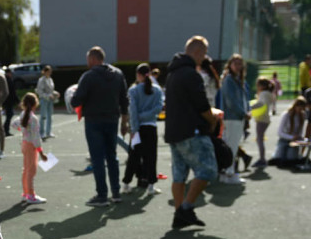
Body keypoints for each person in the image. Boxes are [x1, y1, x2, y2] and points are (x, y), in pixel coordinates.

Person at [164, 35, 221, 229]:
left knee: (179, 175)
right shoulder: (190, 74)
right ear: (197, 52)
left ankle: (179, 215)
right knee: (208, 170)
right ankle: (185, 209)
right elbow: (202, 104)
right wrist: (212, 121)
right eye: (203, 53)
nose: (204, 58)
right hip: (191, 131)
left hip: (174, 132)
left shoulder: (172, 74)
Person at [71, 46, 130, 207]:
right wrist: (124, 122)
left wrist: (75, 96)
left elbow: (76, 101)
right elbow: (124, 100)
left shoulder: (88, 76)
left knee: (97, 159)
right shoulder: (118, 74)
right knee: (112, 157)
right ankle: (116, 193)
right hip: (113, 119)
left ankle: (102, 195)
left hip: (94, 121)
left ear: (92, 59)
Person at [123, 63, 164, 195]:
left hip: (138, 128)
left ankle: (126, 183)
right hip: (151, 127)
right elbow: (158, 108)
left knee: (134, 157)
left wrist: (134, 128)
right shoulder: (157, 90)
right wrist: (147, 115)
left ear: (138, 75)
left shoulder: (133, 90)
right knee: (151, 157)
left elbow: (133, 112)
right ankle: (151, 185)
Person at [218, 54, 249, 185]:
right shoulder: (229, 80)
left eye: (240, 63)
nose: (238, 66)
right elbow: (230, 101)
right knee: (231, 146)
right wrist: (243, 113)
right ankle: (229, 173)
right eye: (235, 63)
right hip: (232, 118)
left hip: (237, 117)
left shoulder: (238, 80)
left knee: (233, 145)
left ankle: (228, 172)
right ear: (230, 65)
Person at [17, 93, 48, 204]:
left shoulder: (23, 114)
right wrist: (41, 152)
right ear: (35, 104)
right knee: (31, 170)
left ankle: (25, 193)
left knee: (26, 170)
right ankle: (31, 195)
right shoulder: (33, 118)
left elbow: (14, 123)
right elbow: (36, 137)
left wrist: (23, 130)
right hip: (30, 145)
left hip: (25, 143)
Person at [270, 96, 308, 164]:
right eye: (299, 108)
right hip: (284, 140)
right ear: (295, 106)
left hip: (294, 142)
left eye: (302, 109)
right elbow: (279, 132)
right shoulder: (286, 114)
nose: (300, 111)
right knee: (278, 158)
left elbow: (300, 131)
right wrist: (291, 137)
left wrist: (299, 138)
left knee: (291, 158)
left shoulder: (302, 115)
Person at [248, 77, 274, 167]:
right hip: (264, 119)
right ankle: (262, 159)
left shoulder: (264, 94)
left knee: (259, 139)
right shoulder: (267, 93)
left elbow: (261, 104)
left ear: (262, 86)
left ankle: (262, 159)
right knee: (259, 139)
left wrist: (250, 107)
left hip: (262, 119)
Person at [35, 65, 59, 139]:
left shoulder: (50, 79)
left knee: (50, 116)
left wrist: (55, 93)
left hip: (50, 100)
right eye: (48, 71)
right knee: (43, 116)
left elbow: (51, 90)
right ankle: (41, 132)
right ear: (44, 72)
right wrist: (48, 96)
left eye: (50, 72)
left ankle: (48, 132)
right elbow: (40, 91)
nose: (49, 73)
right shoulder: (41, 80)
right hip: (44, 99)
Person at [1, 67, 19, 138]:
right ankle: (5, 129)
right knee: (9, 115)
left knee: (9, 115)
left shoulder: (5, 80)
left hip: (6, 101)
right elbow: (12, 92)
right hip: (8, 101)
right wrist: (17, 101)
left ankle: (5, 129)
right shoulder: (8, 81)